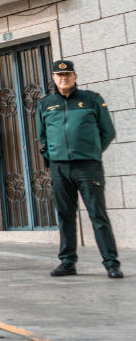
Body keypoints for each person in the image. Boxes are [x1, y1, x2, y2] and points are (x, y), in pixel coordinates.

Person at [37, 60, 121, 279]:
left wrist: (92, 152)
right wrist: (52, 157)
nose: (63, 78)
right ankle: (67, 262)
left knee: (98, 215)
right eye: (59, 75)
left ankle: (111, 263)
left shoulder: (91, 100)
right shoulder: (45, 104)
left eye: (68, 75)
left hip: (87, 167)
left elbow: (107, 132)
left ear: (75, 77)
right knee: (65, 216)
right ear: (54, 79)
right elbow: (42, 136)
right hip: (59, 168)